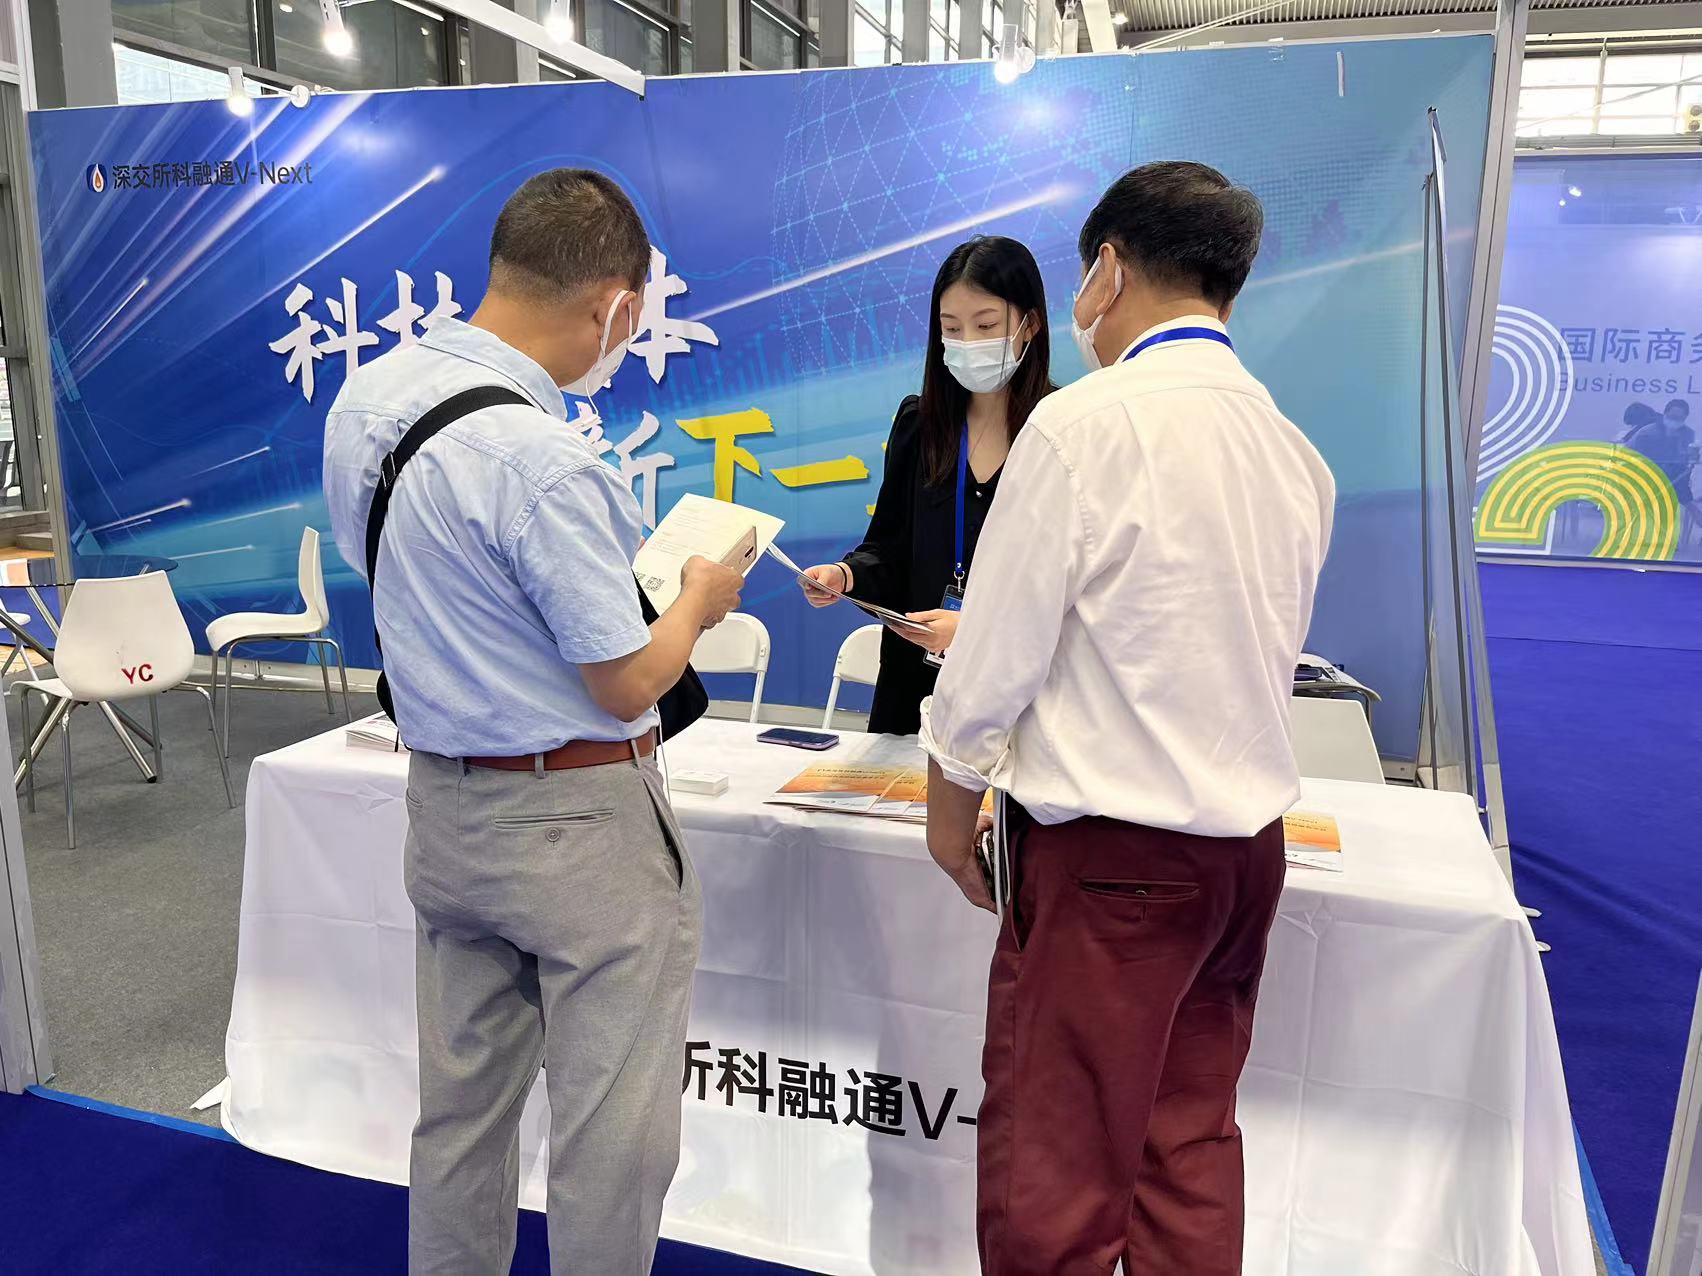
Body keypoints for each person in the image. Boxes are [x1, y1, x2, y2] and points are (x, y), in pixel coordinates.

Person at [322, 168, 743, 1276]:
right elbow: (626, 682)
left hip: (445, 805)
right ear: (615, 305)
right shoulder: (544, 461)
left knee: (460, 1114)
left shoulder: (366, 401)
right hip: (580, 829)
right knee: (612, 1133)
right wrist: (698, 601)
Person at [918, 162, 1336, 1275]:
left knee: (1054, 1167)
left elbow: (990, 661)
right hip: (1242, 858)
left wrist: (948, 819)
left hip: (1111, 865)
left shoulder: (1082, 425)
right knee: (1184, 1145)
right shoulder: (1291, 447)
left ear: (1105, 270)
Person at [799, 236, 1055, 734]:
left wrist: (976, 630)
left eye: (986, 325)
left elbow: (1065, 589)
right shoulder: (920, 425)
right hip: (913, 685)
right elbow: (889, 549)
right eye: (951, 328)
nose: (968, 342)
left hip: (1018, 692)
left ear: (1030, 324)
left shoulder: (1061, 429)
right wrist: (845, 575)